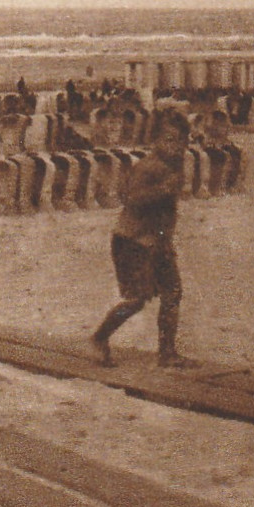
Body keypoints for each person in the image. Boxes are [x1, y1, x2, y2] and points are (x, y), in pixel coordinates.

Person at [88, 115, 195, 369]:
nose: (176, 146)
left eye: (181, 141)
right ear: (155, 140)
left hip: (156, 242)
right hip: (132, 242)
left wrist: (164, 241)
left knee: (173, 292)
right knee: (136, 299)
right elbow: (133, 199)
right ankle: (99, 338)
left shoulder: (174, 165)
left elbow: (166, 211)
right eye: (169, 140)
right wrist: (164, 190)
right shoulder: (150, 166)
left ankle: (167, 352)